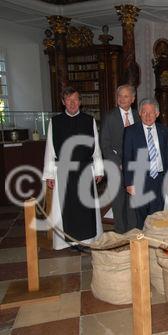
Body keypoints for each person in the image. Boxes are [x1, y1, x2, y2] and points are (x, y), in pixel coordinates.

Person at [42, 86, 104, 250]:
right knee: (67, 210)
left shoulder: (88, 120)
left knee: (86, 207)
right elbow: (50, 149)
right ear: (63, 102)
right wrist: (49, 175)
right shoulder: (55, 122)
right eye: (68, 100)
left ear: (80, 101)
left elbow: (96, 147)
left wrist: (98, 170)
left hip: (85, 170)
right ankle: (68, 241)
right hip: (64, 172)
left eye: (75, 99)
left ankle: (88, 241)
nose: (72, 103)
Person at [122, 98, 168, 228]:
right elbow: (127, 158)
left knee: (157, 218)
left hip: (159, 180)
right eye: (144, 112)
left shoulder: (164, 131)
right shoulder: (131, 131)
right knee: (141, 219)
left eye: (151, 112)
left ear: (157, 114)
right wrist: (129, 183)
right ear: (139, 113)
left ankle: (155, 245)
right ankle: (142, 245)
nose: (148, 116)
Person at [100, 84, 139, 233]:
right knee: (119, 202)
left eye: (126, 96)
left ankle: (133, 232)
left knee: (133, 201)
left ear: (133, 99)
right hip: (116, 167)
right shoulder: (110, 117)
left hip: (135, 167)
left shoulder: (138, 116)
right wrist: (118, 162)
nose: (122, 99)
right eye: (119, 96)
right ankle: (121, 234)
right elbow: (105, 144)